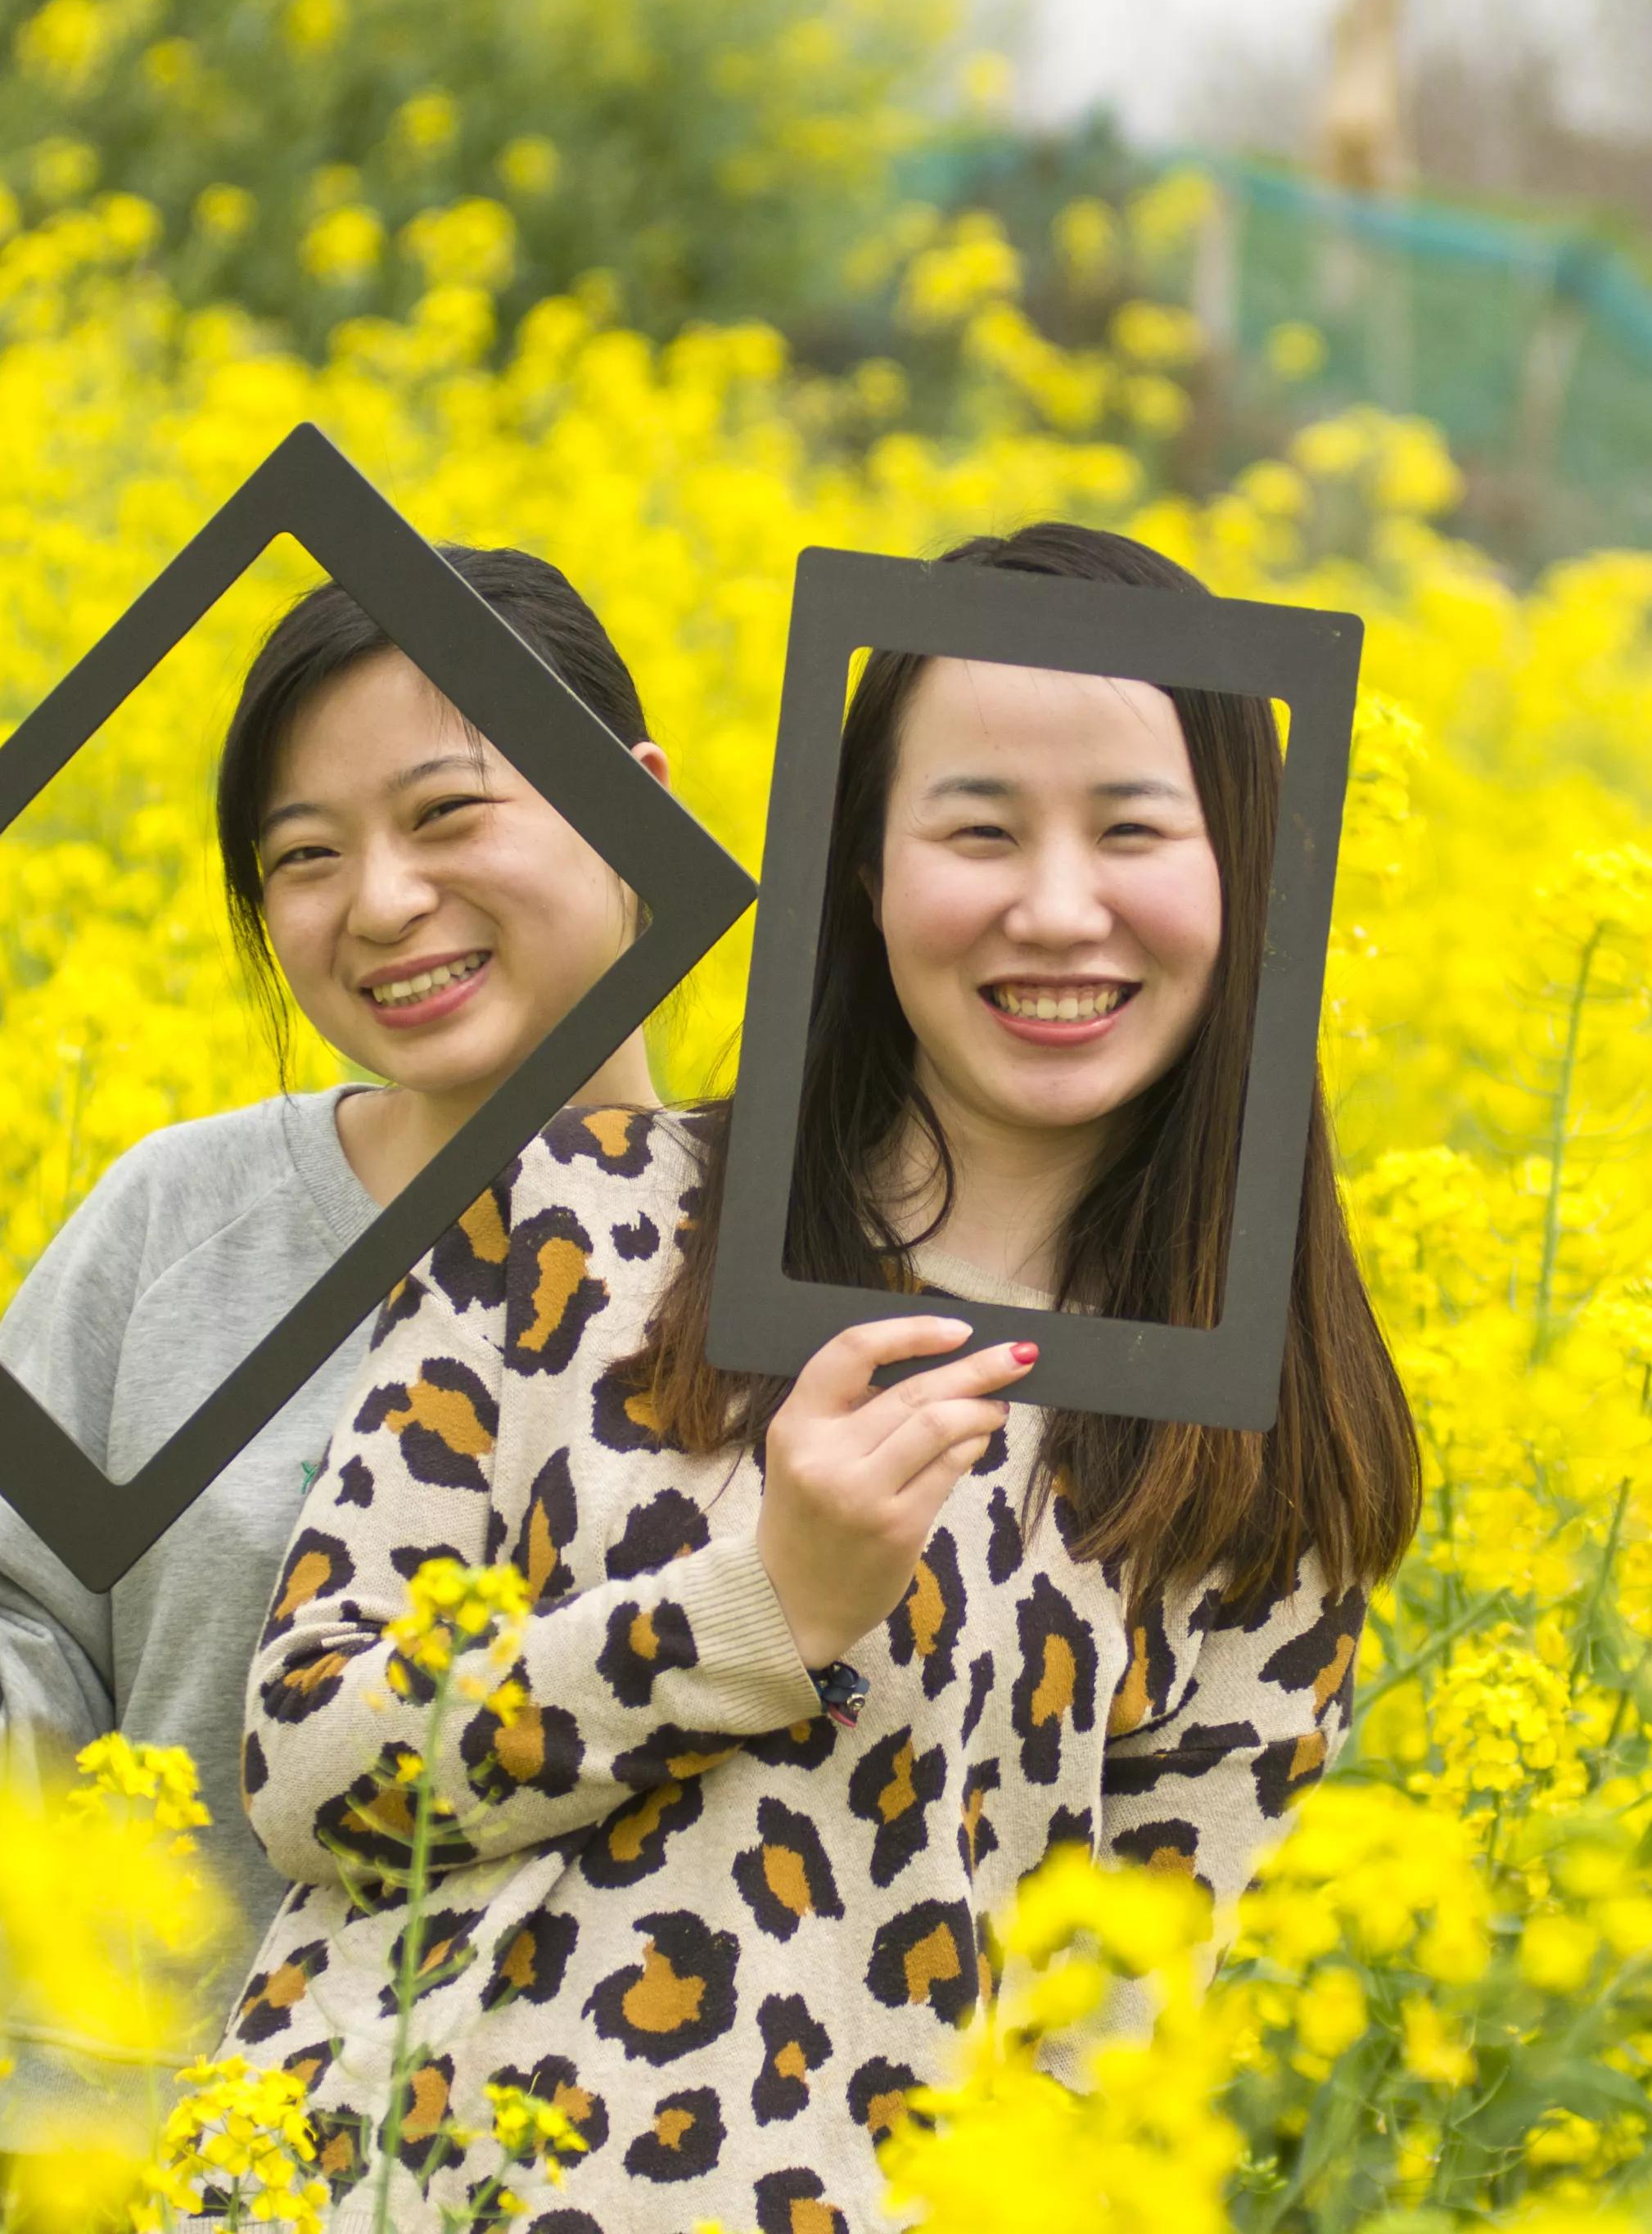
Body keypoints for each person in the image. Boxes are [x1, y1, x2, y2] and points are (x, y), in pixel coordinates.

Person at [220, 523, 1420, 2229]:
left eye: (1135, 829)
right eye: (977, 827)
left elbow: (1091, 2087)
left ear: (1250, 878)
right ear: (862, 867)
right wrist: (753, 1608)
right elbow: (311, 1767)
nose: (1055, 905)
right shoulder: (575, 1215)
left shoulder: (1250, 1475)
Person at [0, 550, 678, 2149]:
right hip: (118, 2152)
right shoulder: (175, 1217)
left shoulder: (807, 1252)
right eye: (301, 855)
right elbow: (1, 1766)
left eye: (444, 812)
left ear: (638, 805)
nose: (380, 902)